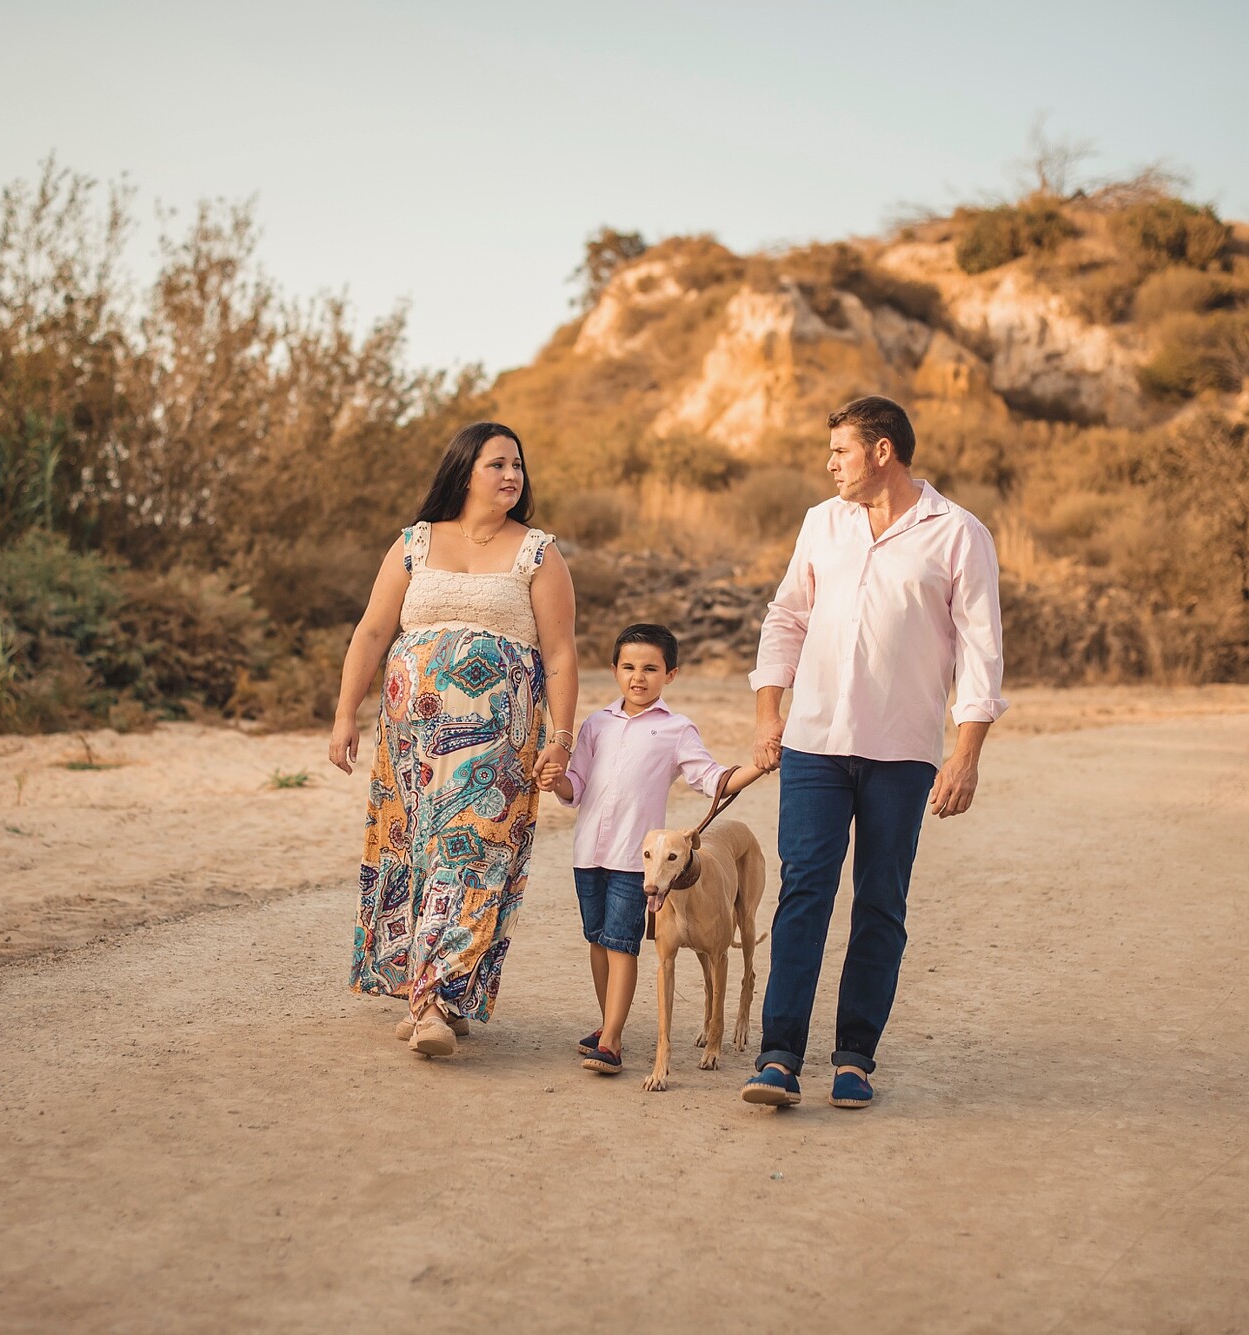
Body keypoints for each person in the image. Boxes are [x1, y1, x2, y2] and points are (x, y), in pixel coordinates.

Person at [740, 395, 1007, 1110]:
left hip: (903, 749)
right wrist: (770, 709)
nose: (830, 464)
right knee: (804, 893)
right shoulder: (821, 523)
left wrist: (966, 753)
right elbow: (786, 615)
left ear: (882, 451)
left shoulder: (957, 532)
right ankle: (778, 1056)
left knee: (881, 903)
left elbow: (981, 650)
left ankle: (855, 1057)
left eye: (841, 451)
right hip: (814, 744)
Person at [330, 422, 579, 1058]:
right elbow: (370, 632)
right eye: (497, 464)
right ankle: (438, 990)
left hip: (499, 743)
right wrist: (344, 716)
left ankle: (434, 1003)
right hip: (410, 741)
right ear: (465, 471)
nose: (512, 476)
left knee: (473, 858)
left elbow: (560, 654)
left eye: (518, 465)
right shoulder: (414, 544)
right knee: (414, 857)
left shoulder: (538, 554)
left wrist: (562, 738)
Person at [538, 624, 767, 1075]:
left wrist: (757, 767)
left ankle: (612, 1042)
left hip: (636, 861)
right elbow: (576, 784)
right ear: (614, 670)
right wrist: (556, 780)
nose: (637, 677)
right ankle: (608, 1025)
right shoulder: (597, 724)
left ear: (671, 674)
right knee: (597, 942)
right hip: (588, 853)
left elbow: (712, 779)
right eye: (628, 667)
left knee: (623, 944)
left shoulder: (676, 730)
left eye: (650, 668)